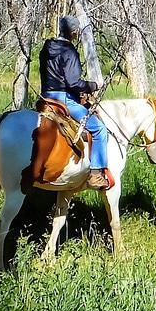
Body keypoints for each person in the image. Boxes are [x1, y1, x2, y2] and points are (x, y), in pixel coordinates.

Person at [39, 15, 109, 190]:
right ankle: (95, 175)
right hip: (64, 100)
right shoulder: (69, 51)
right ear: (74, 32)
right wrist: (94, 85)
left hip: (45, 97)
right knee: (99, 129)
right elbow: (74, 83)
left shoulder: (46, 48)